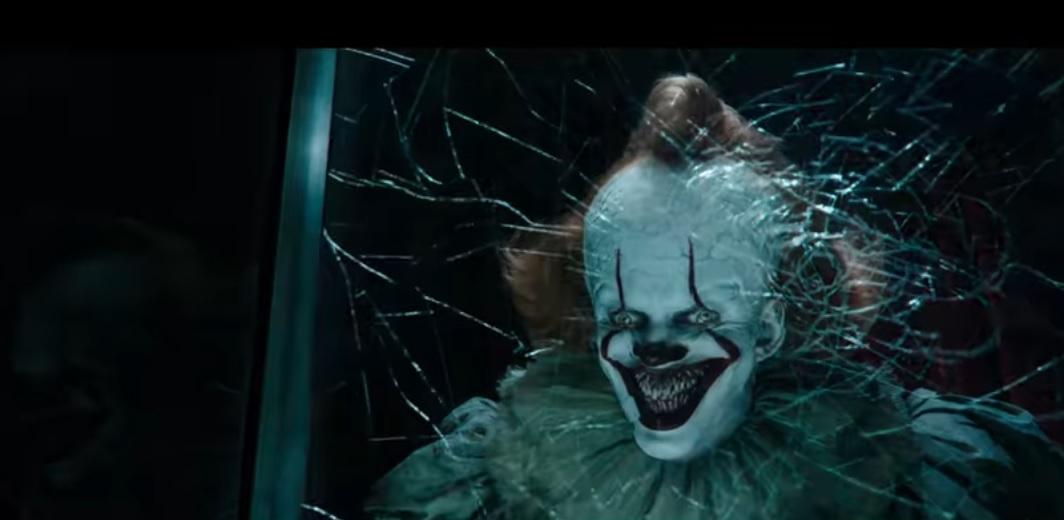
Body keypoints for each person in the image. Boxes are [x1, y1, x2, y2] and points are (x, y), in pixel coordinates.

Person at [365, 74, 1064, 519]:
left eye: (697, 315)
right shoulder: (485, 481)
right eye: (624, 315)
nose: (653, 348)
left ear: (771, 325)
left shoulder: (927, 474)